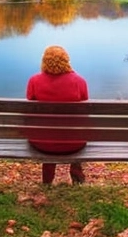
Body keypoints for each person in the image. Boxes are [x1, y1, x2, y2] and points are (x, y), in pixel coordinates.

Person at [26, 45, 89, 185]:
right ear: (67, 61)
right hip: (74, 143)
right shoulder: (79, 81)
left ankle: (47, 182)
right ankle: (76, 174)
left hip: (42, 143)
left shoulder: (34, 81)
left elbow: (30, 109)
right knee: (76, 129)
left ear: (44, 62)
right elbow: (84, 111)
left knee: (47, 130)